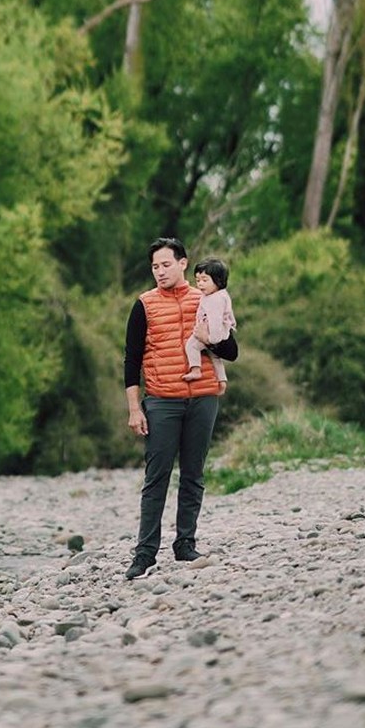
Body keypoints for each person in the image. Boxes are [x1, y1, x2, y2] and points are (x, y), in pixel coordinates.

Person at [123, 237, 238, 580]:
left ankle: (185, 545)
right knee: (156, 477)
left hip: (203, 398)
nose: (159, 272)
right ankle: (145, 553)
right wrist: (134, 409)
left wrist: (211, 337)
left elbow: (232, 351)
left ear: (184, 263)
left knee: (193, 474)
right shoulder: (144, 304)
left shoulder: (209, 298)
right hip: (161, 401)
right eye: (155, 267)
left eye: (166, 264)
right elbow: (131, 359)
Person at [184, 258, 236, 393]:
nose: (200, 284)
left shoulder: (215, 299)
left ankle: (195, 369)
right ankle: (222, 381)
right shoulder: (220, 295)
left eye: (205, 280)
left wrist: (210, 339)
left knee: (191, 346)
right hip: (217, 333)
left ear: (218, 280)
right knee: (215, 357)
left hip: (210, 333)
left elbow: (215, 320)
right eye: (198, 280)